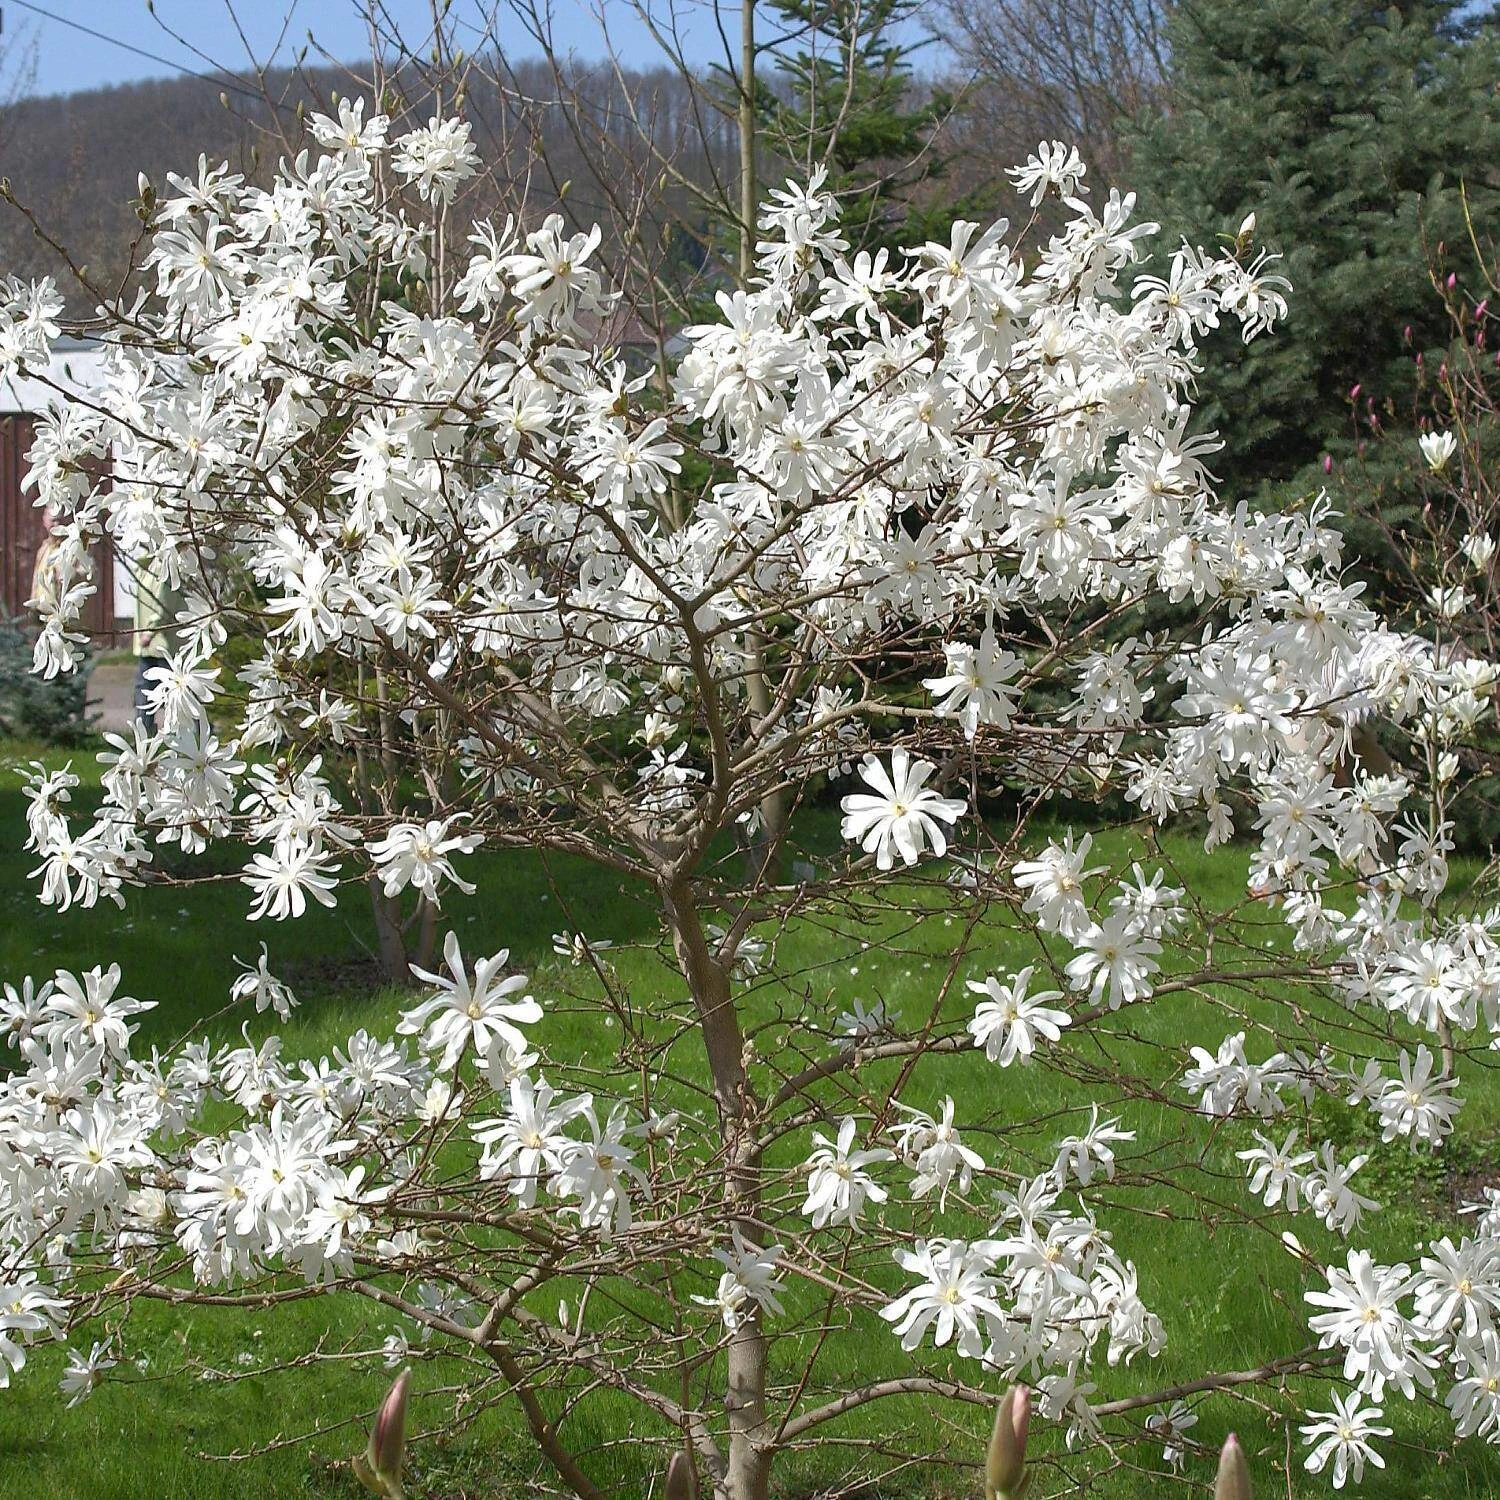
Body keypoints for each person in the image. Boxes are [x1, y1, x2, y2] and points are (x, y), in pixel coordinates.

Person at [132, 555, 185, 733]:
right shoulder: (142, 569)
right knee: (144, 690)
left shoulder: (166, 570)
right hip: (147, 645)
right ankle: (144, 732)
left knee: (173, 693)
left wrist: (150, 631)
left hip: (164, 644)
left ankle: (180, 733)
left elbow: (164, 605)